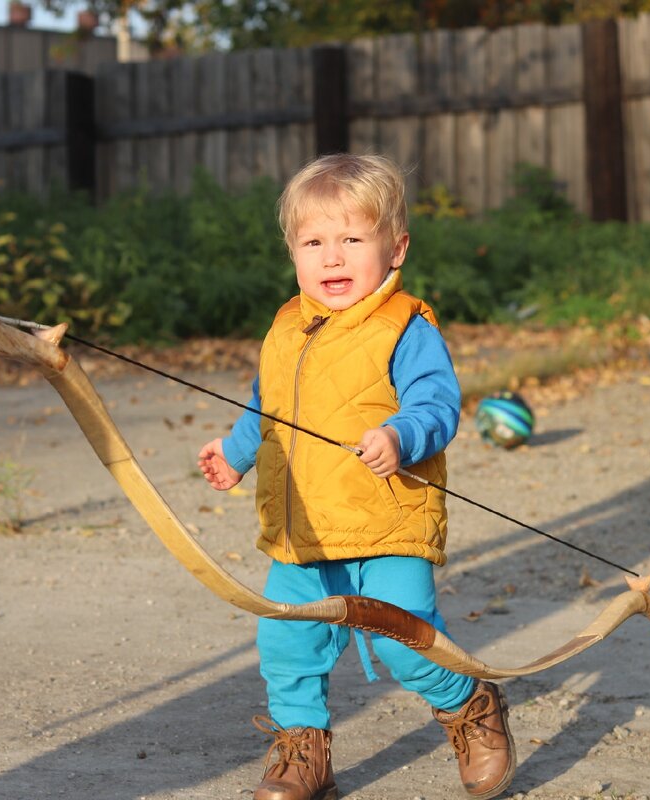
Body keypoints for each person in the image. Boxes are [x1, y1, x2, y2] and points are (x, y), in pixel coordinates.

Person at [197, 153, 515, 800]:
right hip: (304, 529)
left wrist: (401, 435)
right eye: (314, 242)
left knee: (405, 641)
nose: (332, 258)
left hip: (387, 520)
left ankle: (470, 706)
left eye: (351, 239)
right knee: (287, 645)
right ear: (292, 251)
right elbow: (268, 403)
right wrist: (235, 452)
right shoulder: (288, 325)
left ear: (395, 248)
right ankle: (301, 753)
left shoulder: (406, 326)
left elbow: (436, 405)